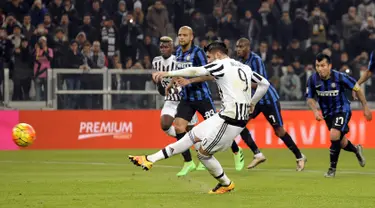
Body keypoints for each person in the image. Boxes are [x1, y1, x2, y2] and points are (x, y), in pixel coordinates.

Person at [129, 41, 270, 194]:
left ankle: (226, 184)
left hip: (232, 119)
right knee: (191, 136)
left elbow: (196, 71)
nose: (208, 61)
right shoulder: (243, 67)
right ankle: (150, 159)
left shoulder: (221, 64)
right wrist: (252, 103)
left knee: (203, 154)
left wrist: (167, 73)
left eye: (209, 57)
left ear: (217, 55)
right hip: (225, 115)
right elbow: (265, 84)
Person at [166, 26, 244, 176]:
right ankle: (188, 162)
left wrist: (190, 81)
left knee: (218, 128)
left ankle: (236, 150)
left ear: (191, 37)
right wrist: (171, 83)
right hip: (187, 98)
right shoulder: (177, 53)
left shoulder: (199, 53)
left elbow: (210, 75)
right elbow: (180, 72)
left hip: (202, 97)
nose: (181, 37)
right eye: (179, 35)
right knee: (179, 127)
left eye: (184, 35)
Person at [235, 38, 306, 170]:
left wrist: (242, 84)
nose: (238, 49)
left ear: (248, 47)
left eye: (241, 47)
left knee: (279, 131)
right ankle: (257, 154)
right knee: (239, 124)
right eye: (237, 47)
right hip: (254, 101)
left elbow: (262, 83)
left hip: (268, 99)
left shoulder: (256, 60)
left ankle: (300, 157)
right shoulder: (239, 63)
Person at [306, 53, 372, 177]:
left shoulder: (340, 77)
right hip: (327, 114)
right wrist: (315, 111)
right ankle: (356, 150)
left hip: (342, 110)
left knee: (334, 134)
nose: (320, 69)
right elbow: (310, 98)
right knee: (341, 142)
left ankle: (332, 170)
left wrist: (365, 107)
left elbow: (357, 88)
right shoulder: (313, 80)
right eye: (317, 66)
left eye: (323, 65)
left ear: (329, 66)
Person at [152, 36, 199, 167]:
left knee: (192, 133)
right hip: (170, 101)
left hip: (185, 100)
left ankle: (198, 159)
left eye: (166, 46)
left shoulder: (178, 60)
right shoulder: (156, 62)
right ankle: (187, 154)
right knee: (165, 124)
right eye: (161, 46)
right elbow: (161, 90)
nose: (163, 49)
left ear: (172, 47)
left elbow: (184, 78)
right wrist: (158, 82)